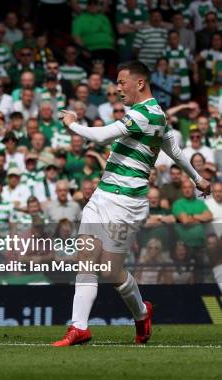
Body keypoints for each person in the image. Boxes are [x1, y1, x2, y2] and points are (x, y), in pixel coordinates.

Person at [53, 61, 211, 346]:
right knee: (86, 257)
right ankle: (79, 327)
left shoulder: (145, 115)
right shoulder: (152, 116)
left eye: (121, 82)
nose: (117, 88)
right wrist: (198, 178)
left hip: (127, 203)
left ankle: (141, 314)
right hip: (103, 195)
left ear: (139, 83)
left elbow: (101, 136)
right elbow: (174, 149)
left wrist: (72, 123)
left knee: (112, 272)